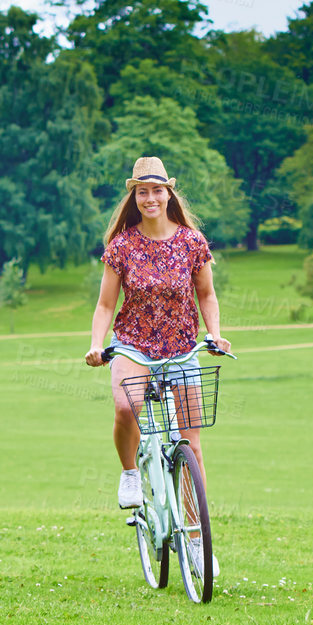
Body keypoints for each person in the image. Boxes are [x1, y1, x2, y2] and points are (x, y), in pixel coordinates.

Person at [85, 155, 230, 509]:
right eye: (142, 192)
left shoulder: (192, 243)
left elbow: (207, 295)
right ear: (134, 198)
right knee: (124, 408)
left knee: (192, 447)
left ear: (169, 195)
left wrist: (215, 334)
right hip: (133, 346)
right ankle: (130, 472)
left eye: (157, 191)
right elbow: (105, 305)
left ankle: (196, 538)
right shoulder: (121, 246)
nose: (150, 199)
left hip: (182, 349)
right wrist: (95, 345)